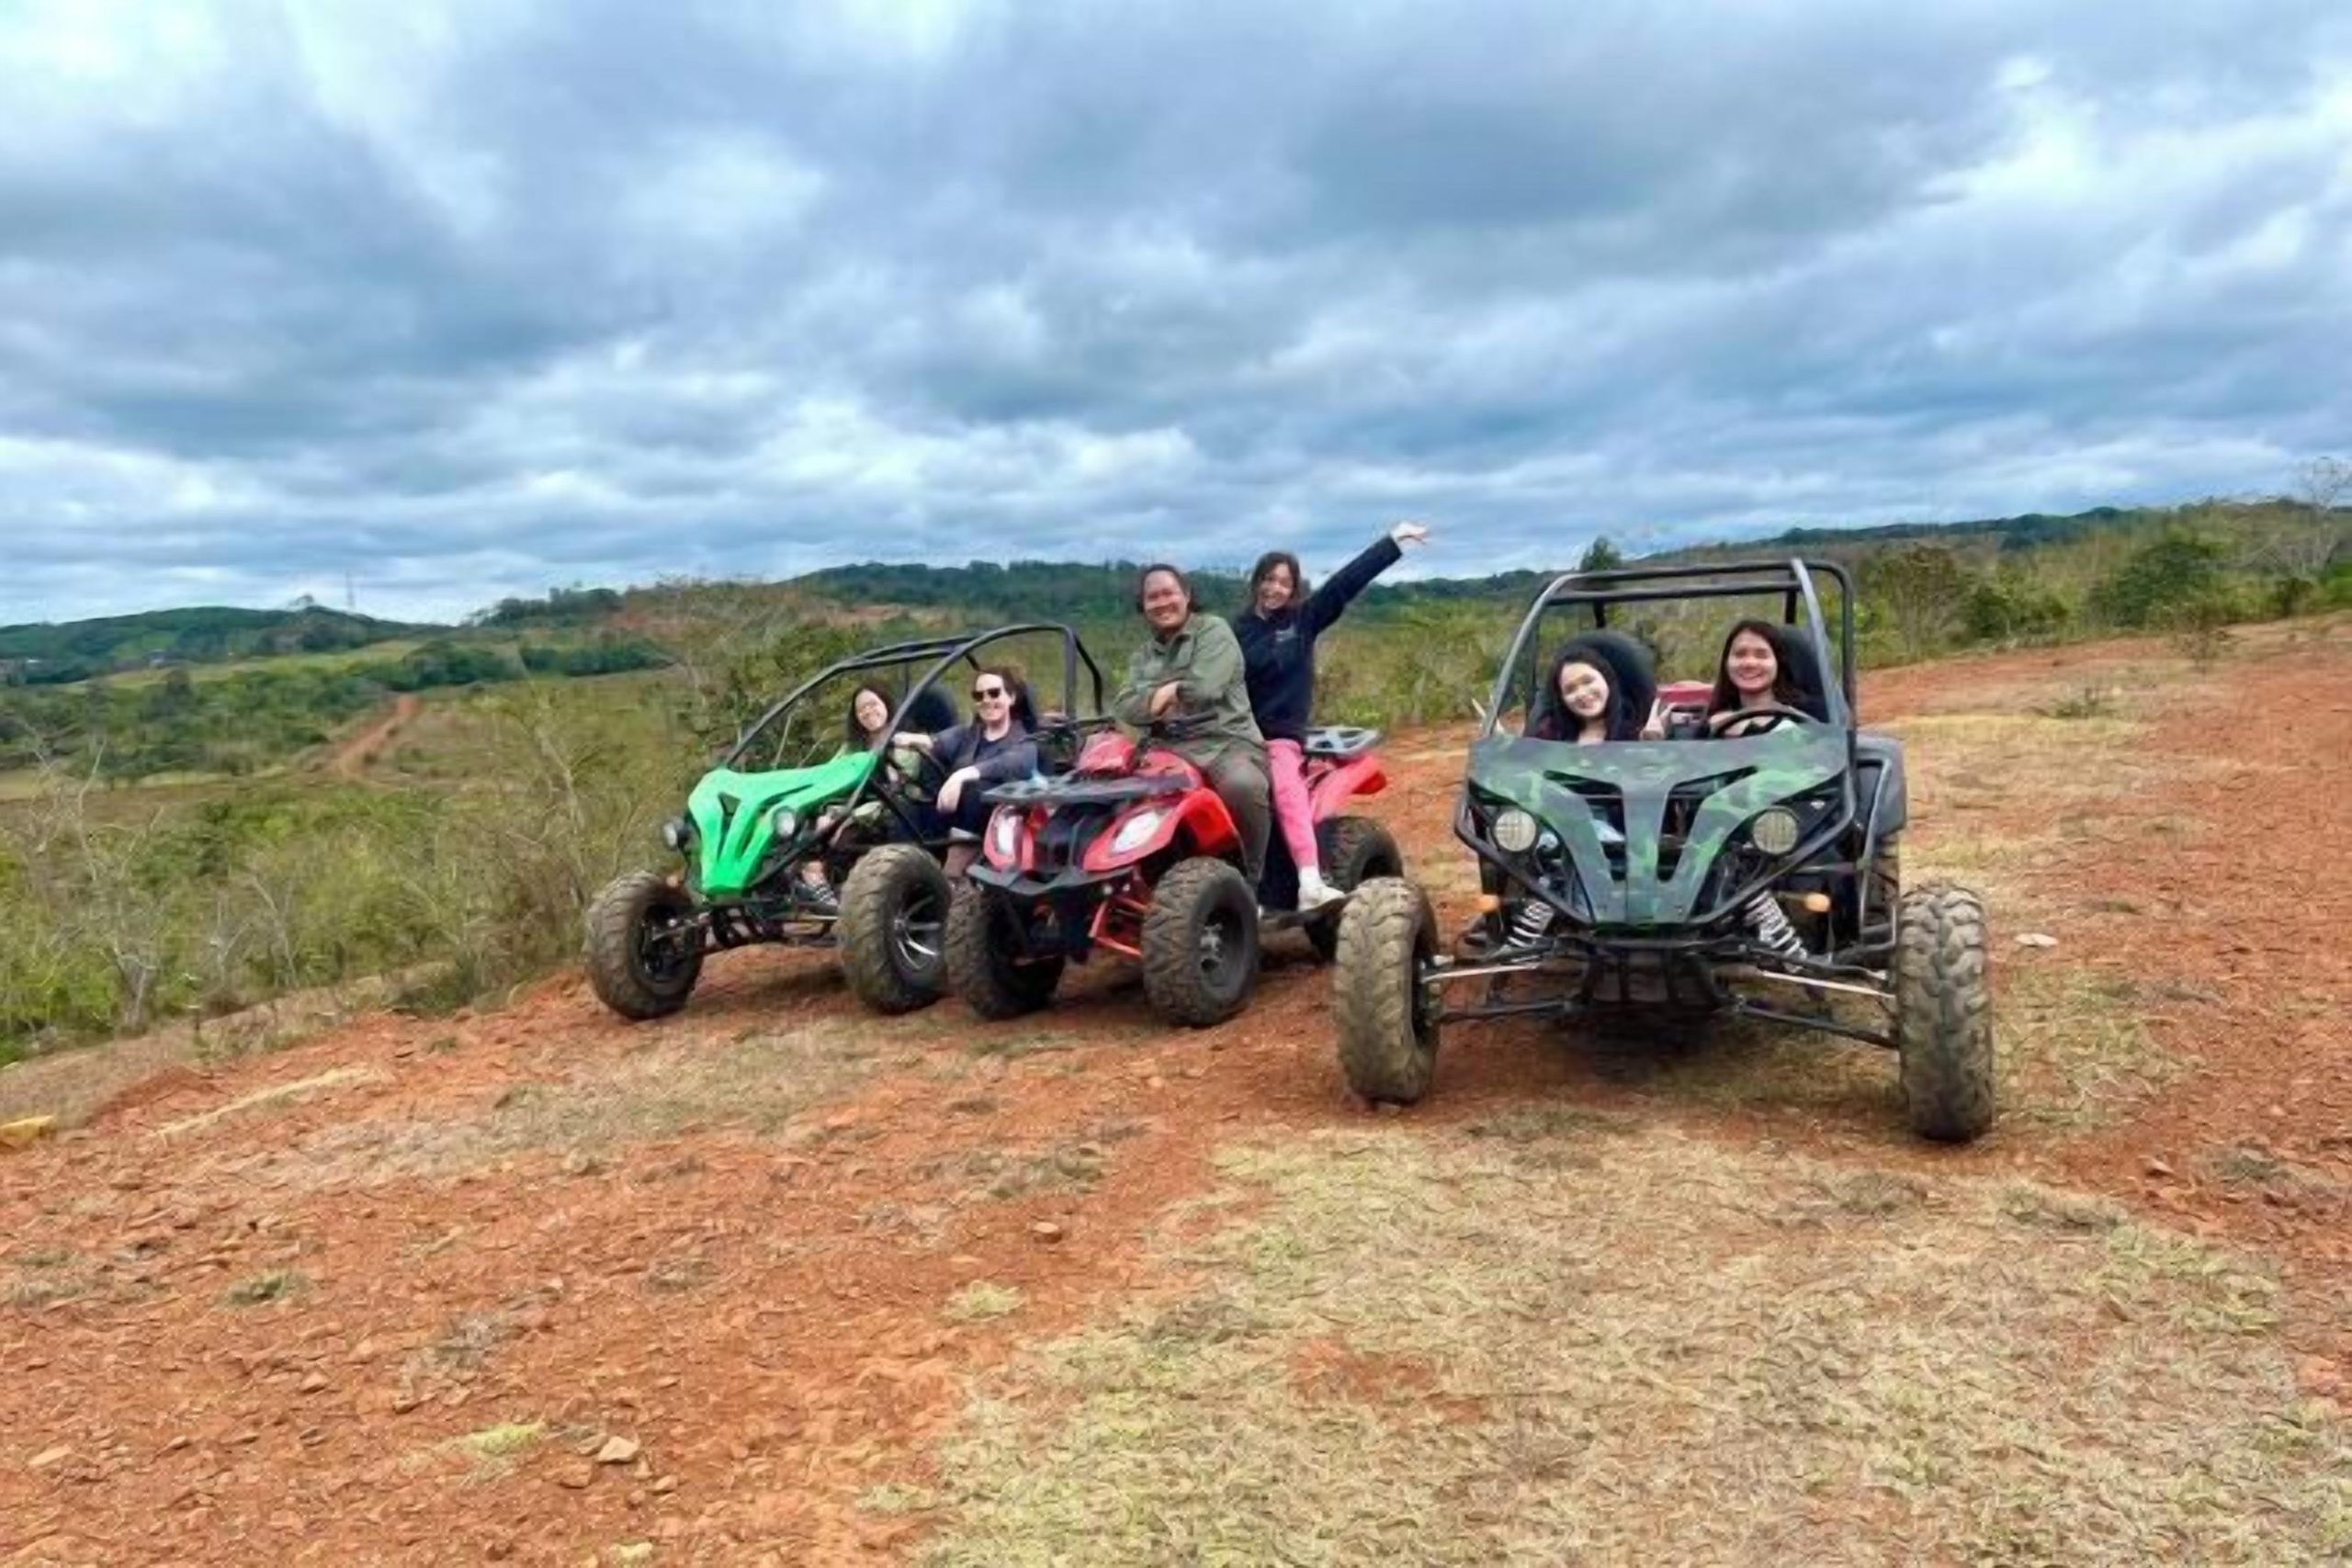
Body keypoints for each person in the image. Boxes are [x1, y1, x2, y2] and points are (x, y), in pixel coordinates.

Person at [1236, 522, 1429, 908]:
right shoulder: (1236, 630)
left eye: (1284, 583)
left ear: (1293, 588)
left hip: (1280, 737)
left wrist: (1392, 542)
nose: (1275, 589)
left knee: (1285, 788)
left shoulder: (1302, 621)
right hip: (1238, 736)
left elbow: (1344, 584)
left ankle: (1309, 879)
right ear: (1257, 582)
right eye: (1269, 580)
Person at [1112, 563, 1272, 887]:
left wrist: (1165, 692)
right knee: (1115, 799)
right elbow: (1124, 706)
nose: (1162, 603)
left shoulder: (1213, 631)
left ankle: (1250, 881)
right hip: (1165, 750)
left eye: (1168, 593)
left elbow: (1205, 689)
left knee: (1242, 786)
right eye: (1152, 597)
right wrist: (1163, 696)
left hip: (1225, 742)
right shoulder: (1144, 656)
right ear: (1143, 606)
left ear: (1186, 595)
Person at [896, 665, 1039, 874]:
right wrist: (903, 739)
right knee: (904, 808)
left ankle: (955, 873)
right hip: (954, 816)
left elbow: (1015, 764)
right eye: (979, 696)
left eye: (994, 693)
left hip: (1000, 823)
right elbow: (935, 742)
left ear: (1011, 697)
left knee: (974, 789)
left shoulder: (1024, 740)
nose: (986, 700)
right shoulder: (968, 735)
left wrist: (962, 775)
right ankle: (902, 871)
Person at [797, 683, 922, 913]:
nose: (868, 712)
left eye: (873, 704)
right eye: (861, 709)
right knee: (801, 823)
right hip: (852, 805)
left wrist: (848, 817)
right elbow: (829, 778)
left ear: (886, 705)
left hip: (891, 807)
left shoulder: (905, 741)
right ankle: (813, 881)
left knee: (844, 836)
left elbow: (902, 786)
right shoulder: (852, 748)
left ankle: (848, 895)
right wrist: (829, 811)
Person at [1642, 619, 1819, 739]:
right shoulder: (1708, 722)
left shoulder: (1797, 727)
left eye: (1761, 655)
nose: (1749, 663)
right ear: (1726, 663)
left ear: (1778, 663)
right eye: (1740, 654)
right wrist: (1655, 745)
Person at [1529, 647, 1644, 743]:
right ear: (1562, 699)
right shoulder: (1549, 735)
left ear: (1606, 679)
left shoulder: (1637, 732)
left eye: (1588, 681)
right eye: (1570, 690)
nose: (1582, 694)